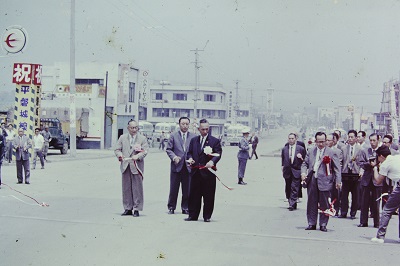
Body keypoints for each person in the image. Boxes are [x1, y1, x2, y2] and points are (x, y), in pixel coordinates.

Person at [301, 132, 341, 232]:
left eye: (323, 141)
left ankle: (323, 224)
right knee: (311, 202)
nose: (321, 144)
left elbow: (337, 169)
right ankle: (311, 223)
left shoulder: (331, 152)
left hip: (326, 181)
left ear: (326, 140)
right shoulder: (311, 151)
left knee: (325, 204)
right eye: (319, 142)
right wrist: (303, 173)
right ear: (315, 141)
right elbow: (304, 164)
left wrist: (338, 181)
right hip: (312, 180)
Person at [185, 119, 222, 222]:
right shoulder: (194, 140)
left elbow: (218, 154)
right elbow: (189, 153)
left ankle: (207, 216)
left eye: (207, 129)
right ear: (198, 129)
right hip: (196, 173)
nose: (205, 131)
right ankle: (192, 215)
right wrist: (190, 159)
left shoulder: (214, 141)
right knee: (194, 195)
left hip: (208, 173)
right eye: (203, 129)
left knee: (208, 195)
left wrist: (212, 162)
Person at [114, 120, 149, 217]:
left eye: (136, 127)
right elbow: (117, 149)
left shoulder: (142, 138)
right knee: (126, 188)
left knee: (137, 188)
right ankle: (128, 208)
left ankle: (137, 208)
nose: (134, 130)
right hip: (126, 165)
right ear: (128, 128)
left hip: (136, 166)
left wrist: (138, 156)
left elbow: (145, 151)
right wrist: (120, 155)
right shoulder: (122, 137)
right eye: (132, 128)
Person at [371, 145, 400, 243]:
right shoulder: (397, 157)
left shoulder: (385, 164)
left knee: (387, 210)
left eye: (378, 157)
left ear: (381, 156)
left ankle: (380, 236)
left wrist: (375, 169)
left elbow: (378, 181)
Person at [165, 117, 195, 214]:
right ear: (179, 124)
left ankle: (185, 207)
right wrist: (174, 157)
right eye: (183, 124)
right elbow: (169, 149)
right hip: (176, 166)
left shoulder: (193, 137)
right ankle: (171, 207)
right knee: (174, 188)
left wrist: (192, 159)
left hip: (188, 167)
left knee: (187, 189)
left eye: (187, 124)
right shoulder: (173, 135)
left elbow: (195, 151)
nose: (185, 126)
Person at [358, 133, 382, 228]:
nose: (372, 142)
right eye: (371, 140)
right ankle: (363, 222)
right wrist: (369, 163)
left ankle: (377, 222)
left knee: (376, 202)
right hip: (367, 178)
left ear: (378, 140)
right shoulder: (365, 151)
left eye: (374, 140)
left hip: (377, 179)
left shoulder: (381, 151)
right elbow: (360, 162)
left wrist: (378, 165)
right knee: (364, 201)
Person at [339, 129, 362, 219]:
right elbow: (341, 160)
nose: (350, 139)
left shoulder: (360, 149)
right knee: (344, 195)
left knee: (355, 195)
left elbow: (362, 162)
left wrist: (360, 171)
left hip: (355, 174)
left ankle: (353, 213)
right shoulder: (344, 148)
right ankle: (343, 212)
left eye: (352, 137)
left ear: (356, 138)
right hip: (346, 173)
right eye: (349, 137)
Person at [281, 133, 306, 211]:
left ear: (295, 139)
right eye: (289, 138)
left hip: (296, 170)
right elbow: (283, 159)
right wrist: (282, 167)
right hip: (287, 171)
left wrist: (301, 158)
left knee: (294, 187)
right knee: (288, 187)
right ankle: (291, 201)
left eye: (292, 138)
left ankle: (292, 203)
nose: (291, 140)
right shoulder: (284, 149)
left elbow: (305, 160)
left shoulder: (301, 149)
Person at [326, 133, 343, 216]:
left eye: (329, 140)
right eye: (326, 140)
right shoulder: (323, 150)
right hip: (324, 177)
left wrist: (338, 180)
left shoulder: (337, 152)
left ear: (333, 141)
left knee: (335, 193)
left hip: (333, 176)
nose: (327, 142)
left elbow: (338, 167)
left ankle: (335, 209)